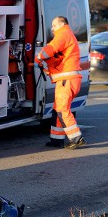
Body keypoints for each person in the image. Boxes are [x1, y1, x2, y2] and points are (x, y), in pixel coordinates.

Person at [35, 16, 86, 149]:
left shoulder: (63, 34)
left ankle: (76, 138)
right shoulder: (67, 35)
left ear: (62, 24)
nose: (52, 28)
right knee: (57, 110)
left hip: (66, 80)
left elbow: (51, 48)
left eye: (54, 25)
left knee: (62, 110)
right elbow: (57, 58)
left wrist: (39, 57)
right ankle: (56, 140)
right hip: (66, 80)